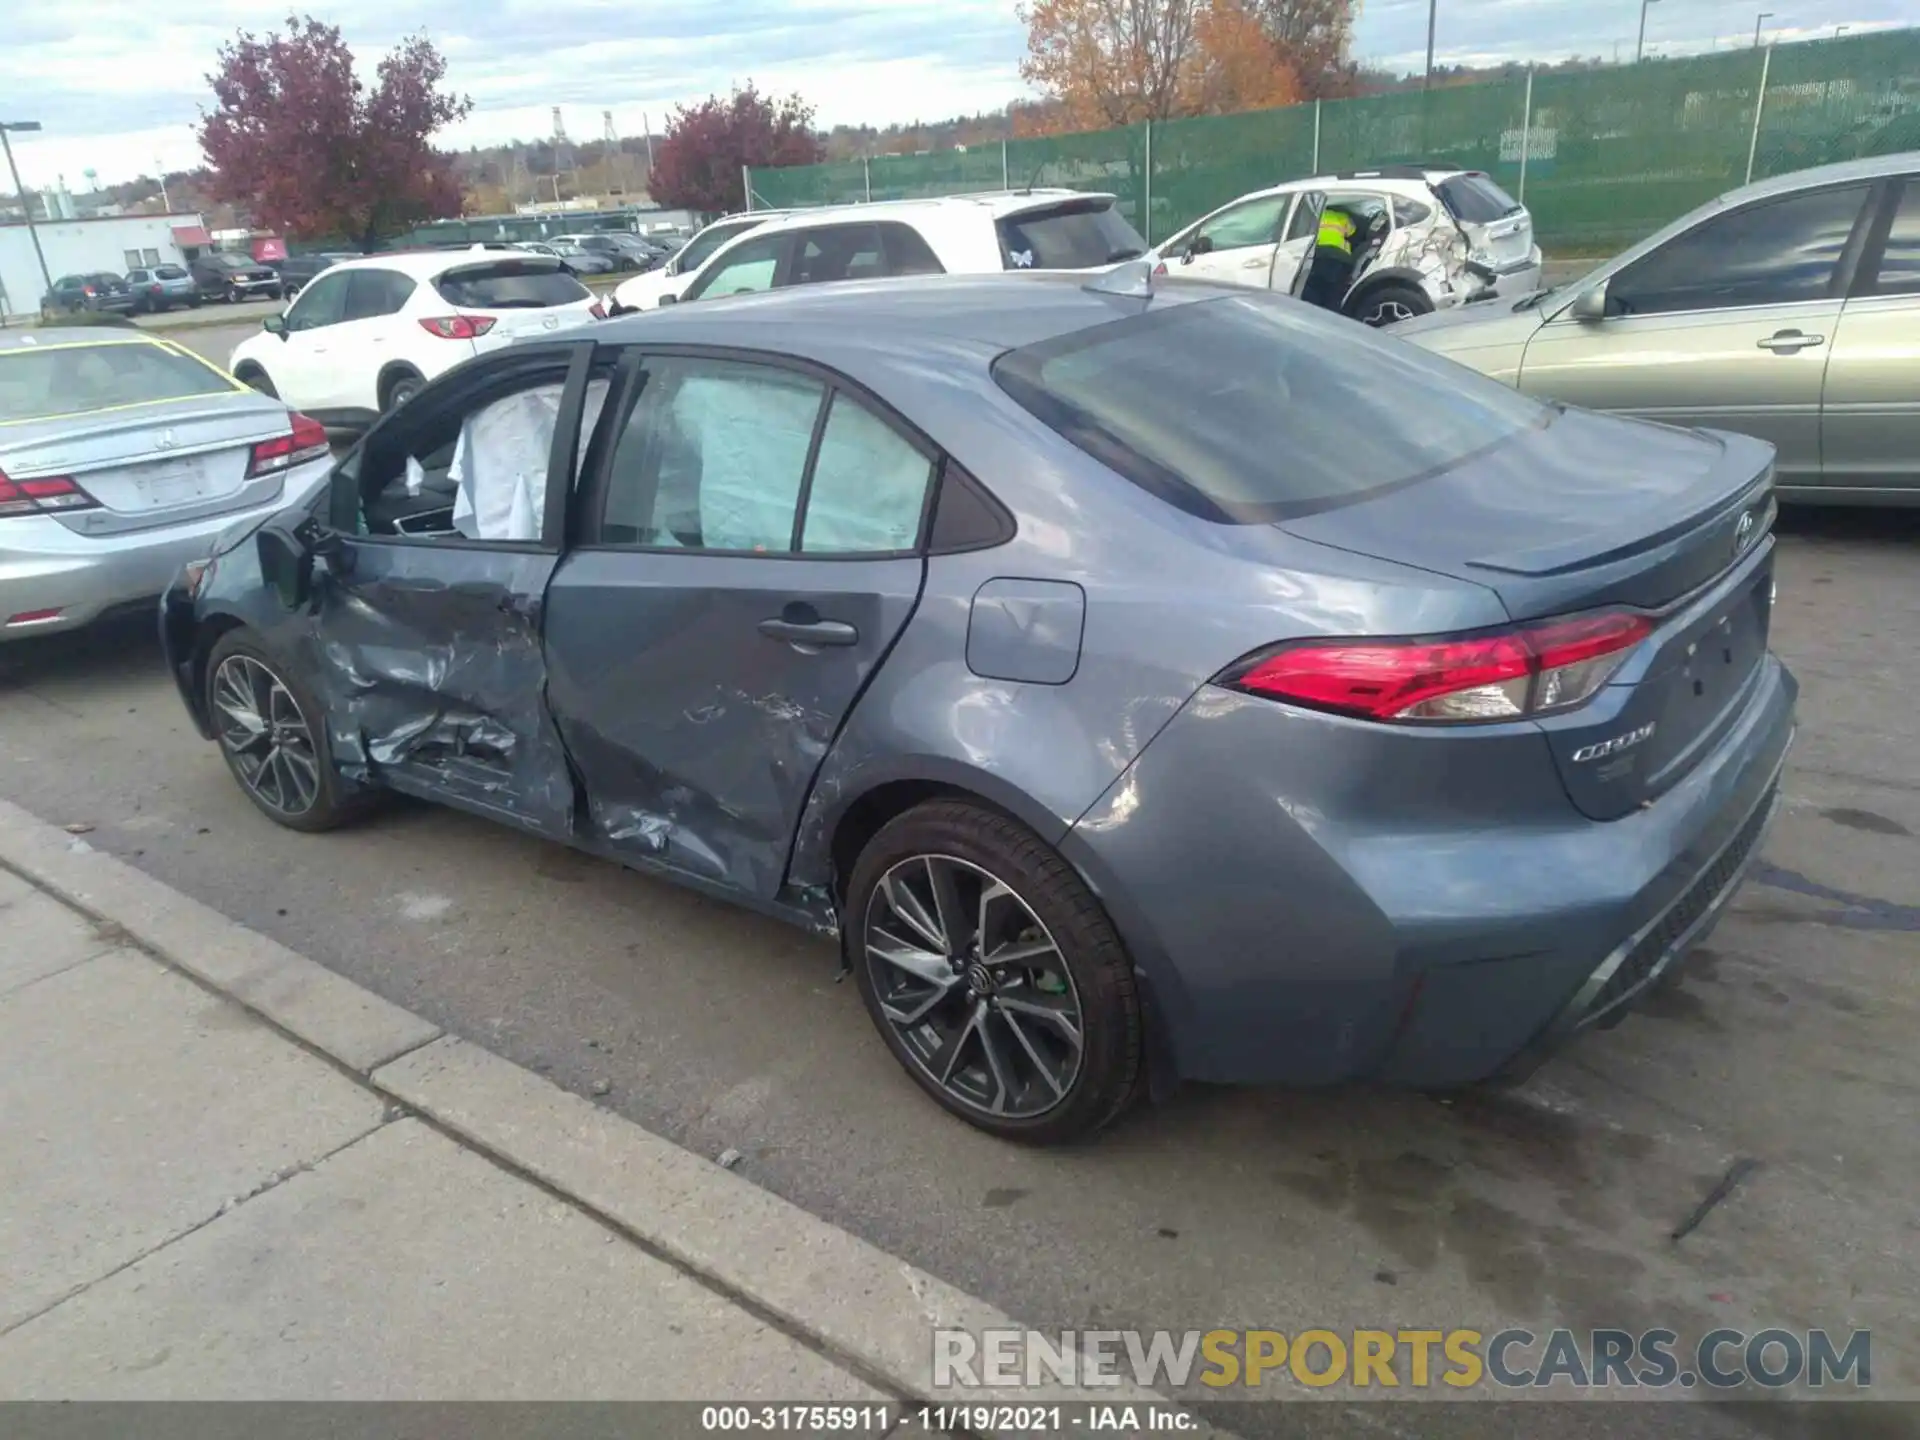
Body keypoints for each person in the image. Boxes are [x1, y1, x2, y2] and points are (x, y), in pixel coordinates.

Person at [1299, 204, 1357, 313]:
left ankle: (1313, 314)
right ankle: (1332, 316)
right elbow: (1351, 232)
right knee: (1335, 292)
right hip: (1341, 256)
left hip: (1319, 253)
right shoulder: (1342, 216)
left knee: (1314, 287)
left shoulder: (1313, 215)